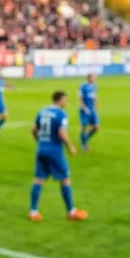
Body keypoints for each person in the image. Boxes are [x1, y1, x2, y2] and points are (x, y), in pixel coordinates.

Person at [28, 91, 87, 222]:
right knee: (65, 179)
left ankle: (33, 212)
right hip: (54, 151)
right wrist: (70, 146)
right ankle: (71, 212)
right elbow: (62, 133)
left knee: (38, 180)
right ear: (59, 100)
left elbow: (33, 129)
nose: (66, 102)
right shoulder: (61, 114)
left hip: (41, 149)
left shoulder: (42, 111)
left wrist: (40, 141)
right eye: (65, 100)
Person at [77, 73, 99, 151]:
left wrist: (96, 106)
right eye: (93, 77)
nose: (94, 78)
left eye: (94, 77)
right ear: (88, 78)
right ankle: (83, 144)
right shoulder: (83, 86)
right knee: (84, 127)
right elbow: (80, 97)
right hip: (85, 109)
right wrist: (83, 107)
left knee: (96, 127)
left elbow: (95, 97)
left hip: (92, 109)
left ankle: (85, 139)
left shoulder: (94, 86)